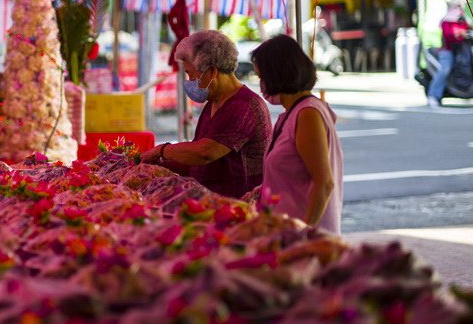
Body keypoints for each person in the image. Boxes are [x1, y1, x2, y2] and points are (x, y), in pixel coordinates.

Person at [140, 30, 272, 199]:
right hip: (209, 202)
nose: (189, 81)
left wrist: (162, 151)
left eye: (190, 74)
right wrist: (158, 166)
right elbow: (195, 161)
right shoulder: (214, 102)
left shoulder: (243, 106)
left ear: (212, 72)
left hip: (237, 206)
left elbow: (204, 153)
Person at [252, 35, 343, 234]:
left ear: (277, 74)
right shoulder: (290, 114)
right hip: (282, 231)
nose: (261, 85)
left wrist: (303, 234)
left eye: (262, 78)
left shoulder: (308, 114)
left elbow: (324, 183)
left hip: (305, 240)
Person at [427, 0, 470, 109]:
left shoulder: (462, 17)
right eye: (459, 3)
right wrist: (459, 33)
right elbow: (448, 35)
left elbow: (470, 29)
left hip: (462, 51)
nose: (461, 6)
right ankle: (433, 95)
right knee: (445, 70)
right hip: (448, 51)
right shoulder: (447, 19)